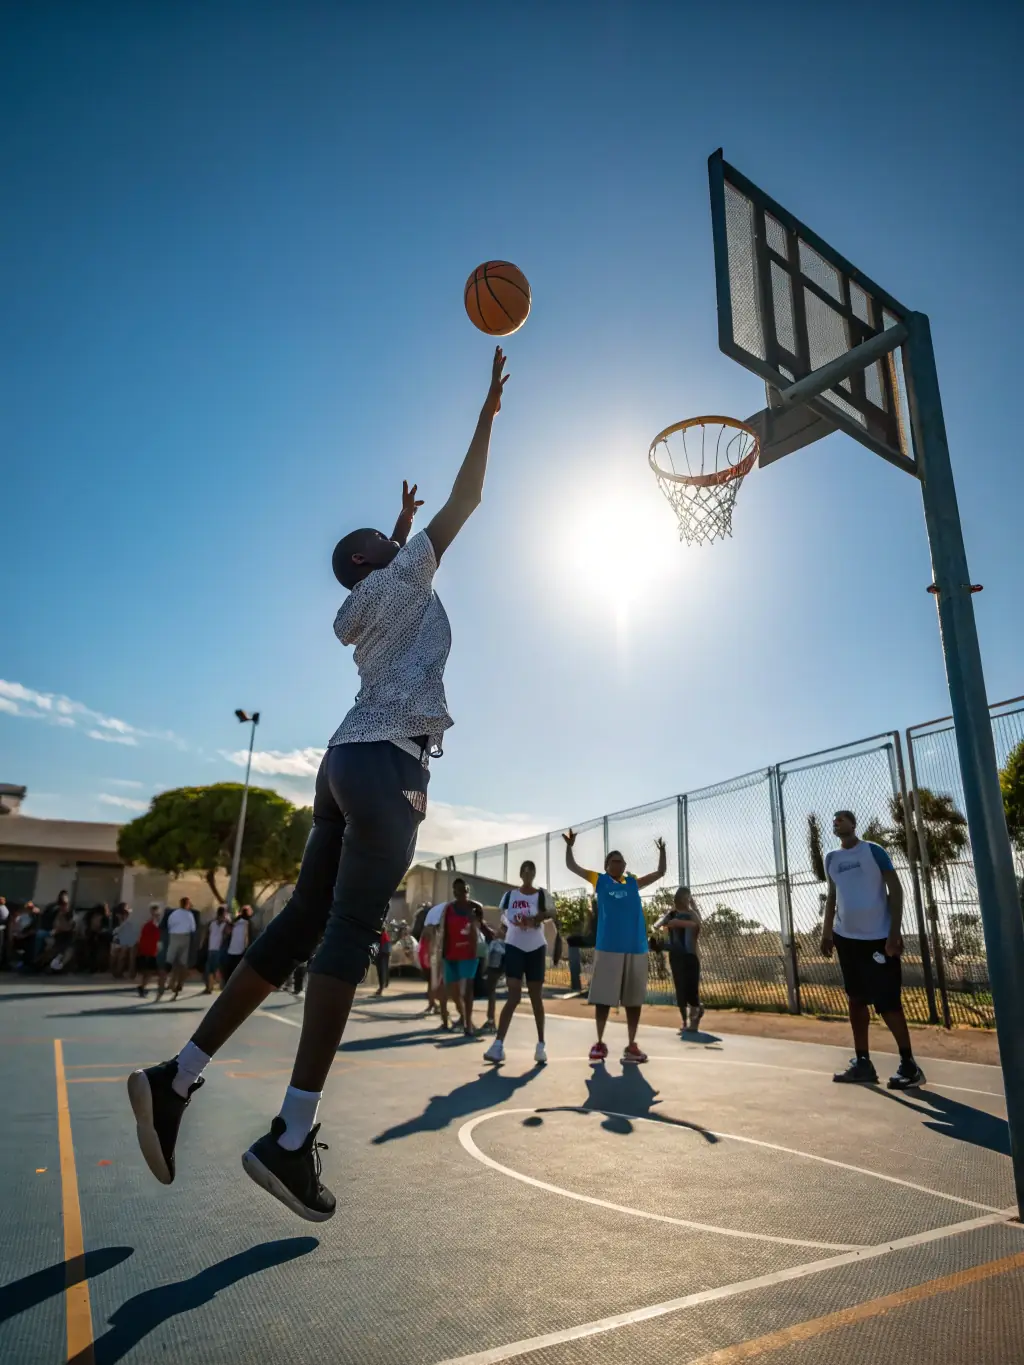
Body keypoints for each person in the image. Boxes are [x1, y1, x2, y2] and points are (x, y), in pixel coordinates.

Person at [127, 348, 509, 1221]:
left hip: (339, 765)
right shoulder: (407, 575)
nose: (404, 540)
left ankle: (177, 1077)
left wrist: (389, 522)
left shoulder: (354, 607)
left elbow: (379, 559)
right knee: (345, 933)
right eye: (391, 539)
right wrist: (486, 414)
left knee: (303, 919)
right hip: (388, 770)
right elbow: (469, 501)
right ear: (384, 557)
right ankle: (291, 1137)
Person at [822, 810, 925, 1090]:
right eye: (834, 820)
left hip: (878, 938)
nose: (837, 822)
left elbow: (896, 889)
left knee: (888, 1002)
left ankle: (909, 1064)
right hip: (846, 938)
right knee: (856, 1000)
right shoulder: (831, 858)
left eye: (842, 819)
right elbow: (833, 896)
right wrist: (827, 932)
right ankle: (863, 1063)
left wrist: (894, 932)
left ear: (854, 824)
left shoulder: (873, 851)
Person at [563, 831, 667, 1064]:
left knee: (633, 1000)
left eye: (621, 861)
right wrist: (570, 846)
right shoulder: (599, 880)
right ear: (607, 865)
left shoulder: (632, 883)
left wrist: (662, 853)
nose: (618, 864)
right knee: (603, 999)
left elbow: (660, 873)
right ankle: (599, 1043)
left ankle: (631, 1045)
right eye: (613, 861)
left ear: (625, 866)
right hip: (609, 948)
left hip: (635, 948)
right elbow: (572, 866)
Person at [484, 860, 552, 1066]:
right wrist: (508, 925)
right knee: (513, 995)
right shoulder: (510, 896)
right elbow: (503, 917)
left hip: (535, 948)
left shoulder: (542, 894)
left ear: (534, 873)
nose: (528, 872)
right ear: (521, 873)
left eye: (532, 869)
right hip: (514, 946)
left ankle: (541, 1045)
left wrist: (535, 919)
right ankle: (498, 1045)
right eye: (525, 869)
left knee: (535, 998)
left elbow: (551, 913)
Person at [655, 887, 704, 1033]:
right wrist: (664, 923)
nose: (685, 900)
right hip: (676, 956)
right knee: (680, 990)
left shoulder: (692, 914)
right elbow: (657, 925)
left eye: (687, 898)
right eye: (683, 897)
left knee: (692, 990)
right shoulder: (671, 915)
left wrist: (680, 922)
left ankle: (694, 1020)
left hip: (691, 955)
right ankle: (685, 1021)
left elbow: (698, 925)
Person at [437, 879, 481, 1034]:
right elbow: (445, 930)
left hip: (469, 954)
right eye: (456, 890)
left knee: (467, 990)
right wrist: (443, 954)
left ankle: (468, 1025)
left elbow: (479, 927)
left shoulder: (474, 908)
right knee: (454, 993)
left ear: (467, 890)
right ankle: (463, 1018)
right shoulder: (449, 909)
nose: (459, 893)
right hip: (451, 954)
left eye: (462, 890)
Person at [163, 897, 197, 999]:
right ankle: (179, 984)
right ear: (187, 904)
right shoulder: (189, 915)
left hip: (173, 936)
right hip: (185, 937)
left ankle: (169, 982)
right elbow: (193, 928)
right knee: (182, 963)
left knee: (171, 961)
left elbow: (169, 925)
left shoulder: (174, 914)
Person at [219, 905, 252, 984]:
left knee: (230, 969)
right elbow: (246, 936)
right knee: (238, 970)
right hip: (240, 950)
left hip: (231, 950)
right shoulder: (246, 923)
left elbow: (227, 932)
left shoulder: (235, 922)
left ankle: (227, 983)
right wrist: (247, 947)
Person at [482, 925, 506, 1032]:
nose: (498, 930)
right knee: (491, 993)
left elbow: (490, 958)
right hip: (497, 969)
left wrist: (486, 969)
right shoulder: (502, 943)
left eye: (502, 929)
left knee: (491, 993)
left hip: (494, 968)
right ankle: (490, 1020)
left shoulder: (498, 944)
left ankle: (491, 1021)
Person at [136, 906, 163, 997]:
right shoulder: (151, 925)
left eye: (158, 914)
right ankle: (143, 988)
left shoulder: (150, 925)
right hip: (151, 952)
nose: (158, 916)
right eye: (156, 914)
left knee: (149, 972)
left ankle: (143, 987)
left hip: (150, 951)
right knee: (151, 972)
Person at [203, 907, 228, 994]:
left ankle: (211, 987)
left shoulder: (213, 923)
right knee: (214, 968)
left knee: (212, 968)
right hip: (216, 948)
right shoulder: (223, 924)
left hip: (214, 948)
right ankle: (212, 987)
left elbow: (207, 935)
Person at [109, 904, 136, 978]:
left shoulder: (123, 920)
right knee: (119, 957)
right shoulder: (122, 920)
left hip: (120, 940)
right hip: (119, 940)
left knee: (119, 957)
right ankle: (117, 973)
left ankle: (118, 973)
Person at [374, 926, 391, 995]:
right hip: (385, 953)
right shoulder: (385, 935)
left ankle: (381, 988)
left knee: (381, 970)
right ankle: (384, 984)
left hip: (382, 953)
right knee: (384, 969)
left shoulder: (382, 935)